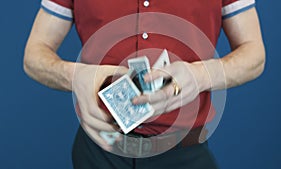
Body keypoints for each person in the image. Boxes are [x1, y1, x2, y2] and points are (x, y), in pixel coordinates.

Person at [24, 0, 265, 168]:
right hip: (99, 151)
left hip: (184, 150)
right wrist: (74, 75)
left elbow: (255, 55)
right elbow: (33, 56)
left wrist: (200, 75)